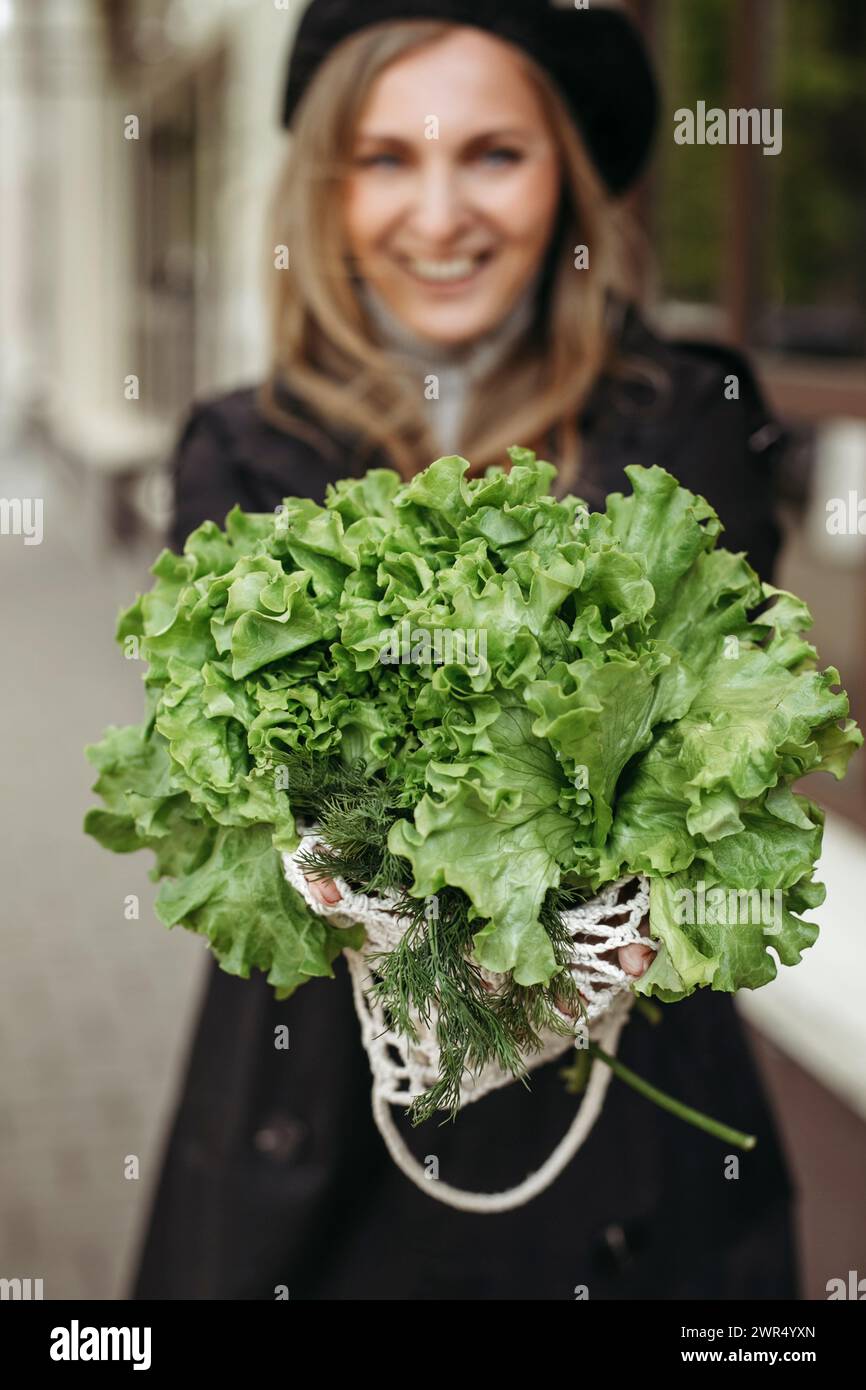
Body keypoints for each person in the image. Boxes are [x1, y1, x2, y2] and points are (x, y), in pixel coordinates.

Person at [130, 1, 796, 1300]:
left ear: (566, 181)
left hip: (629, 1138)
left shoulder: (687, 413)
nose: (437, 215)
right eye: (386, 158)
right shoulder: (242, 444)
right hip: (317, 1110)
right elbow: (266, 784)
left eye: (491, 152)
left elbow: (712, 738)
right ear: (327, 191)